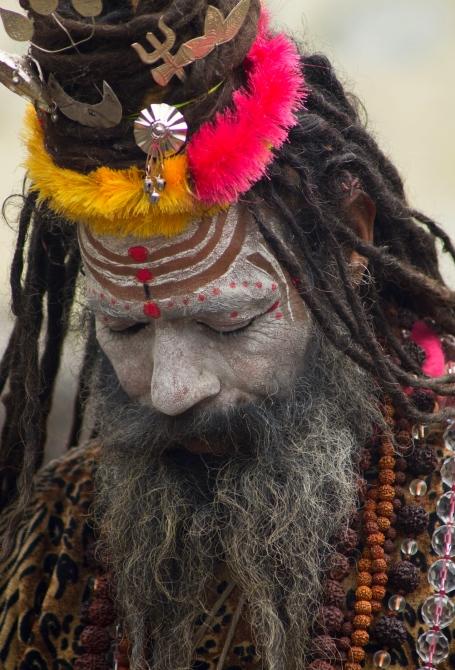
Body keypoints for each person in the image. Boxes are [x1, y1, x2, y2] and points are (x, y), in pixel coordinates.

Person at [0, 1, 455, 669]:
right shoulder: (57, 531)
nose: (169, 390)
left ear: (349, 243)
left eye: (226, 321)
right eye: (123, 327)